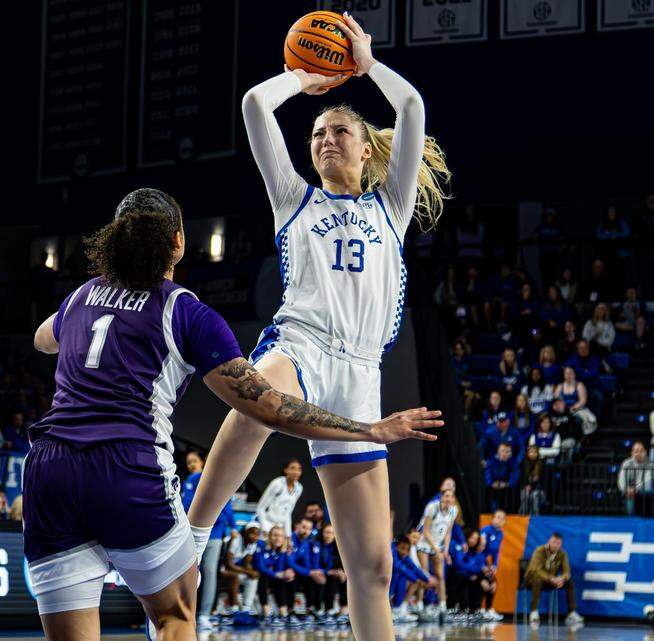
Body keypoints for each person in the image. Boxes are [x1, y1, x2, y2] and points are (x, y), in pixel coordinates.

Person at [24, 188, 439, 641]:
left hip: (50, 473)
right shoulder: (183, 311)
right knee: (175, 612)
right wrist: (369, 428)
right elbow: (270, 408)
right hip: (126, 469)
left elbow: (44, 339)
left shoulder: (82, 298)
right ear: (178, 243)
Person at [184, 13, 451, 641]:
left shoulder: (393, 205)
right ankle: (190, 540)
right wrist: (300, 78)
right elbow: (254, 103)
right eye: (317, 134)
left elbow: (410, 104)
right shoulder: (293, 198)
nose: (326, 139)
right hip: (300, 344)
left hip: (361, 374)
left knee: (374, 567)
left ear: (365, 148)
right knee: (256, 399)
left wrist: (364, 62)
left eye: (339, 131)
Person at [179, 450, 234, 629]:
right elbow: (186, 506)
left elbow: (227, 505)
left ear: (202, 461)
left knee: (209, 573)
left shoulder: (216, 476)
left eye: (194, 461)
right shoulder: (189, 481)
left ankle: (204, 615)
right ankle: (186, 615)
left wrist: (229, 526)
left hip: (215, 535)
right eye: (188, 463)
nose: (191, 465)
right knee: (188, 574)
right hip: (192, 534)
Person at [524, 533, 584, 625]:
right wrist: (551, 578)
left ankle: (571, 613)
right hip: (532, 579)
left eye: (558, 543)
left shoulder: (562, 554)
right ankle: (534, 612)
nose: (555, 545)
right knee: (538, 581)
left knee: (569, 582)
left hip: (552, 580)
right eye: (554, 542)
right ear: (549, 542)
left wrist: (562, 578)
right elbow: (536, 570)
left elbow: (567, 572)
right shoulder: (540, 551)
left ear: (561, 544)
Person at [416, 489, 458, 617]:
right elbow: (426, 531)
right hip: (424, 543)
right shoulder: (432, 508)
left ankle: (442, 606)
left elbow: (448, 532)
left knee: (440, 576)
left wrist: (445, 550)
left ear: (453, 500)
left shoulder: (453, 511)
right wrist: (436, 550)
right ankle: (419, 604)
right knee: (424, 573)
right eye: (445, 496)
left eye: (450, 497)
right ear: (441, 497)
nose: (447, 499)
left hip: (438, 546)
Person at [254, 525, 296, 627]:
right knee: (263, 577)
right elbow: (260, 566)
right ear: (269, 536)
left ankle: (284, 613)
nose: (278, 538)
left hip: (274, 577)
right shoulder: (261, 545)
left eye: (280, 536)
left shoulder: (283, 551)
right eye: (275, 535)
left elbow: (281, 568)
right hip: (260, 576)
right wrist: (277, 573)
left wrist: (288, 573)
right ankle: (267, 613)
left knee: (286, 580)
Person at [221, 522, 261, 615]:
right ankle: (233, 609)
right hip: (221, 568)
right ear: (245, 532)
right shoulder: (236, 540)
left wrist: (252, 572)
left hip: (232, 568)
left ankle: (246, 608)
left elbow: (247, 563)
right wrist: (248, 571)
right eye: (252, 534)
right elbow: (228, 564)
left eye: (257, 534)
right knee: (235, 577)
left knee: (253, 578)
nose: (255, 537)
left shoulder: (253, 544)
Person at [254, 459, 303, 535]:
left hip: (280, 527)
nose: (296, 472)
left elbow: (288, 513)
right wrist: (265, 528)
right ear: (285, 470)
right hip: (266, 522)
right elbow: (260, 508)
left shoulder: (299, 488)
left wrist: (288, 534)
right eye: (292, 468)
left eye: (299, 469)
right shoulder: (277, 484)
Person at [617, 441, 654, 515]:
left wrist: (635, 489)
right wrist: (626, 489)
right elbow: (621, 480)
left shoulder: (651, 464)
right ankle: (631, 522)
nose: (638, 453)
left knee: (648, 488)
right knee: (630, 496)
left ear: (645, 452)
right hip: (629, 491)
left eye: (641, 451)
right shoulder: (627, 463)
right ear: (632, 453)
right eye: (636, 451)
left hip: (644, 492)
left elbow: (648, 480)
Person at [520, 445, 547, 515]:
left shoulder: (541, 464)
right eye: (531, 452)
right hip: (525, 487)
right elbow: (522, 478)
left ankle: (536, 516)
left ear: (538, 453)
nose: (533, 454)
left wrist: (535, 487)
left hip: (538, 488)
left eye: (535, 452)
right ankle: (523, 515)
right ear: (527, 453)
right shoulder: (523, 463)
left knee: (534, 496)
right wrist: (526, 485)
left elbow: (543, 480)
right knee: (526, 495)